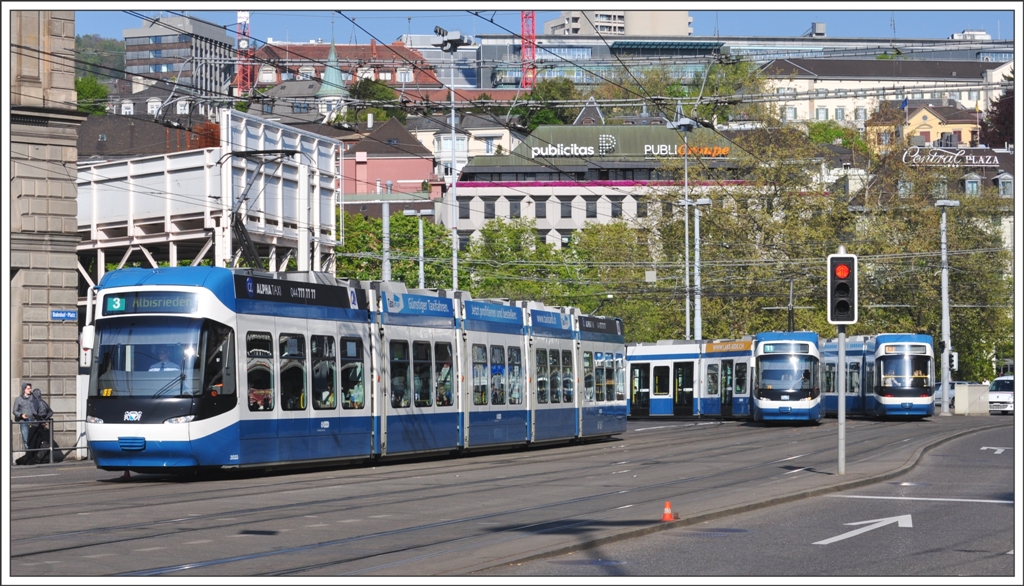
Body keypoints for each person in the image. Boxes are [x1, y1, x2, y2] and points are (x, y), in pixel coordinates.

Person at [13, 382, 35, 450]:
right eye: (28, 388)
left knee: (34, 439)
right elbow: (14, 411)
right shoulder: (18, 399)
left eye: (30, 388)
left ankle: (34, 455)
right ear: (24, 389)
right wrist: (21, 415)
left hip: (33, 421)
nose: (30, 390)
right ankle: (28, 455)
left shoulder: (33, 398)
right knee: (26, 440)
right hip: (24, 422)